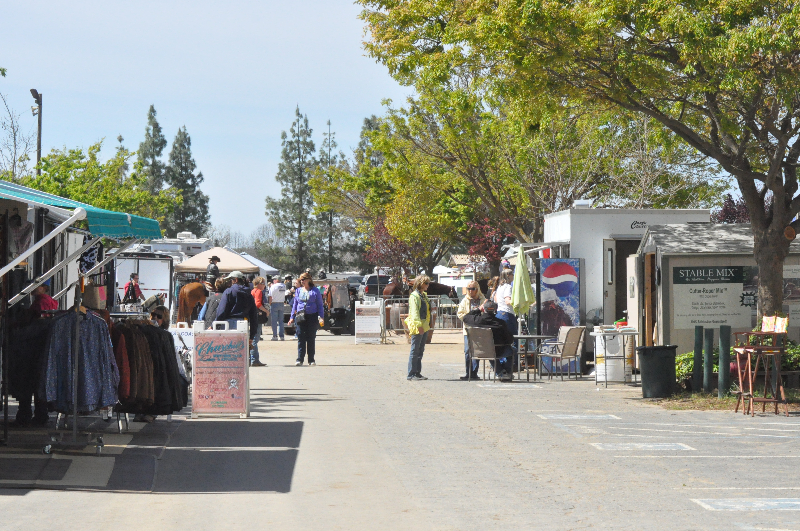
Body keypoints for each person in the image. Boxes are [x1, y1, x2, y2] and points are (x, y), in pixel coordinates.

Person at [462, 300, 515, 381]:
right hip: (498, 350)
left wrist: (478, 309)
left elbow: (465, 317)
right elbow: (509, 340)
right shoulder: (500, 323)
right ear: (496, 310)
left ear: (483, 309)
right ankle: (506, 372)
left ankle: (501, 372)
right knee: (512, 350)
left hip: (480, 349)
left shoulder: (477, 321)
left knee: (490, 350)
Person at [215, 271, 260, 366]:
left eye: (230, 280)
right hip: (243, 324)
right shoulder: (249, 294)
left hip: (228, 324)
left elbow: (221, 311)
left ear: (235, 280)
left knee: (226, 353)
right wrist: (252, 336)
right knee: (240, 353)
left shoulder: (228, 291)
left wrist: (215, 324)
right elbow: (253, 316)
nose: (229, 283)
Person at [288, 272, 324, 366]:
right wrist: (292, 317)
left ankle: (311, 360)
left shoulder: (315, 291)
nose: (302, 281)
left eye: (303, 279)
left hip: (312, 316)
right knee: (301, 337)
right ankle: (300, 359)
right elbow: (295, 305)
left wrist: (321, 317)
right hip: (300, 316)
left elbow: (320, 305)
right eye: (301, 280)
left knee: (311, 337)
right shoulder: (298, 290)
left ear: (309, 280)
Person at [405, 275, 432, 381]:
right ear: (421, 284)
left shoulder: (423, 295)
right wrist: (418, 325)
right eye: (426, 283)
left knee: (420, 350)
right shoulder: (414, 296)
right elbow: (414, 312)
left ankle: (417, 372)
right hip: (418, 325)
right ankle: (411, 374)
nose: (428, 285)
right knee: (415, 350)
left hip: (424, 325)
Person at [457, 280, 485, 380]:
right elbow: (460, 313)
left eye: (473, 289)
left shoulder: (483, 300)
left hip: (479, 329)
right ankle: (468, 373)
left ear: (477, 289)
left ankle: (474, 373)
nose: (470, 291)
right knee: (467, 351)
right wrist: (468, 319)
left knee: (476, 351)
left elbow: (486, 313)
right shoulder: (465, 300)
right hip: (468, 329)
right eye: (468, 289)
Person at [493, 269, 518, 368]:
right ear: (508, 275)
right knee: (513, 339)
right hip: (507, 314)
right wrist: (517, 303)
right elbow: (508, 301)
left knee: (502, 339)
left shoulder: (500, 287)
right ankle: (512, 364)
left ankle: (502, 363)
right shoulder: (508, 287)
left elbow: (496, 300)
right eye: (512, 275)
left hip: (499, 313)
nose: (513, 276)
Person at [249, 277, 269, 367]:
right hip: (257, 316)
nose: (264, 285)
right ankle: (255, 360)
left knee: (252, 338)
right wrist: (266, 311)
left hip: (251, 316)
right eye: (263, 283)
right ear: (259, 284)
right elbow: (257, 304)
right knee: (255, 339)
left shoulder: (252, 291)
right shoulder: (259, 292)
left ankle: (250, 359)